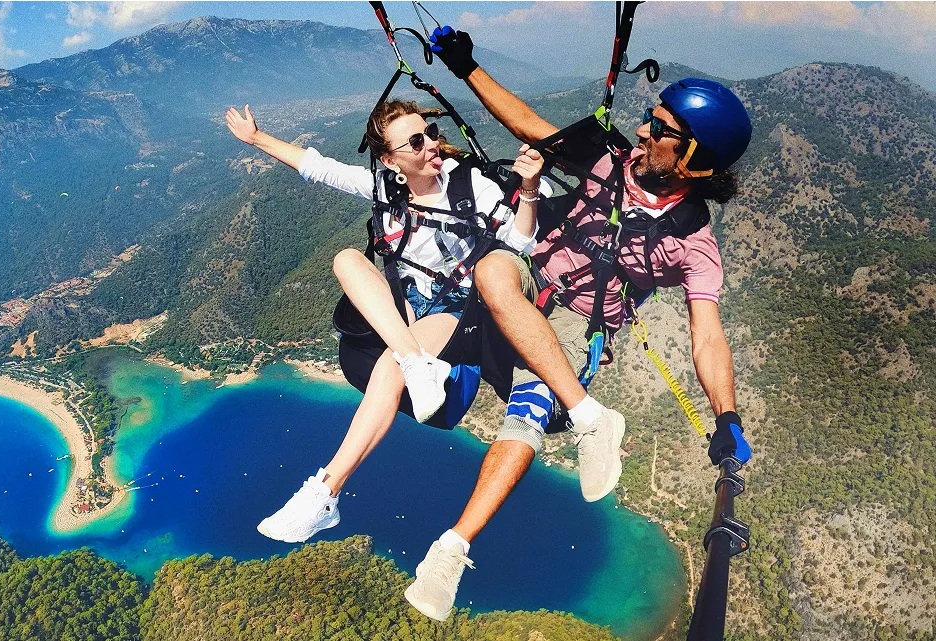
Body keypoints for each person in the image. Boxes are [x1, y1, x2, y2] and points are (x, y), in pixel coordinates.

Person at [394, 26, 758, 622]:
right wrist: (466, 67)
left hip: (576, 324)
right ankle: (591, 420)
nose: (643, 130)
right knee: (489, 273)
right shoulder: (607, 159)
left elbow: (706, 333)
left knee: (526, 415)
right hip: (531, 276)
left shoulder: (693, 242)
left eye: (661, 129)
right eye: (648, 116)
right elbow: (528, 125)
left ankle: (451, 551)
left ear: (693, 159)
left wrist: (727, 415)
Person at [224, 99, 548, 544]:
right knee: (346, 259)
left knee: (389, 368)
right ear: (390, 159)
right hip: (407, 305)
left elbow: (520, 242)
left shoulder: (470, 186)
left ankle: (325, 492)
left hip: (458, 310)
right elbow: (319, 168)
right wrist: (256, 138)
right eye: (415, 141)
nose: (431, 144)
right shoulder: (384, 189)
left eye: (430, 133)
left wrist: (528, 189)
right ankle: (415, 361)